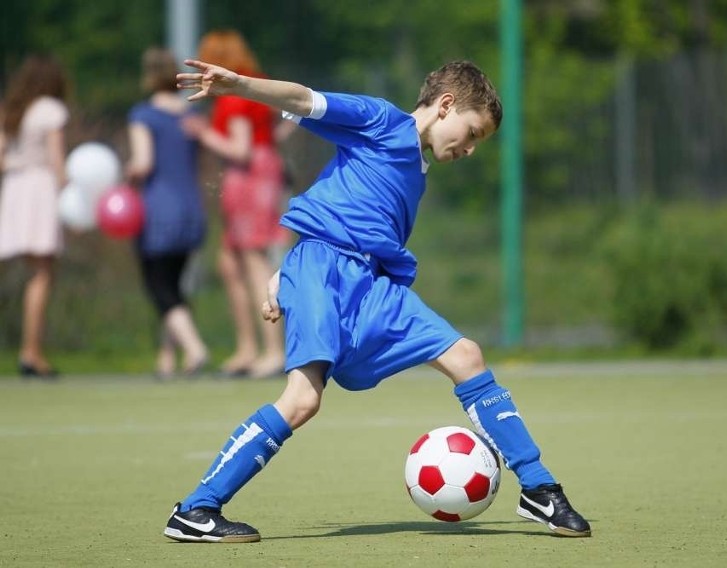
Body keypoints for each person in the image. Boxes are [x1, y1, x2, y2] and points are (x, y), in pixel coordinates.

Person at [164, 58, 591, 542]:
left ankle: (538, 489)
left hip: (370, 285)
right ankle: (196, 509)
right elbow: (304, 99)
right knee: (303, 400)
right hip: (324, 272)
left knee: (466, 355)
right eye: (472, 133)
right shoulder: (381, 121)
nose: (471, 149)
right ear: (446, 105)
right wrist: (239, 85)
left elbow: (343, 206)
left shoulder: (417, 169)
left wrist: (283, 271)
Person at [191, 29, 289, 379]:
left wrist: (203, 133)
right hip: (266, 171)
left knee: (253, 260)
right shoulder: (258, 85)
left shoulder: (233, 98)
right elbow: (283, 128)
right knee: (230, 262)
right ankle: (248, 348)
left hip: (247, 177)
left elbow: (240, 149)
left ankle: (273, 350)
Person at [125, 47, 208, 377]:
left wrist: (126, 174)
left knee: (159, 287)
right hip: (190, 209)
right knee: (175, 284)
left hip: (159, 211)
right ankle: (169, 358)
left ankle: (194, 348)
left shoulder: (143, 115)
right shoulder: (190, 115)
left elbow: (143, 163)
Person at [0, 54, 70, 378]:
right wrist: (69, 196)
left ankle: (30, 351)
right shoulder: (52, 111)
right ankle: (31, 352)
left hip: (13, 188)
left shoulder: (13, 110)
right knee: (42, 273)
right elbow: (57, 163)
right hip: (40, 189)